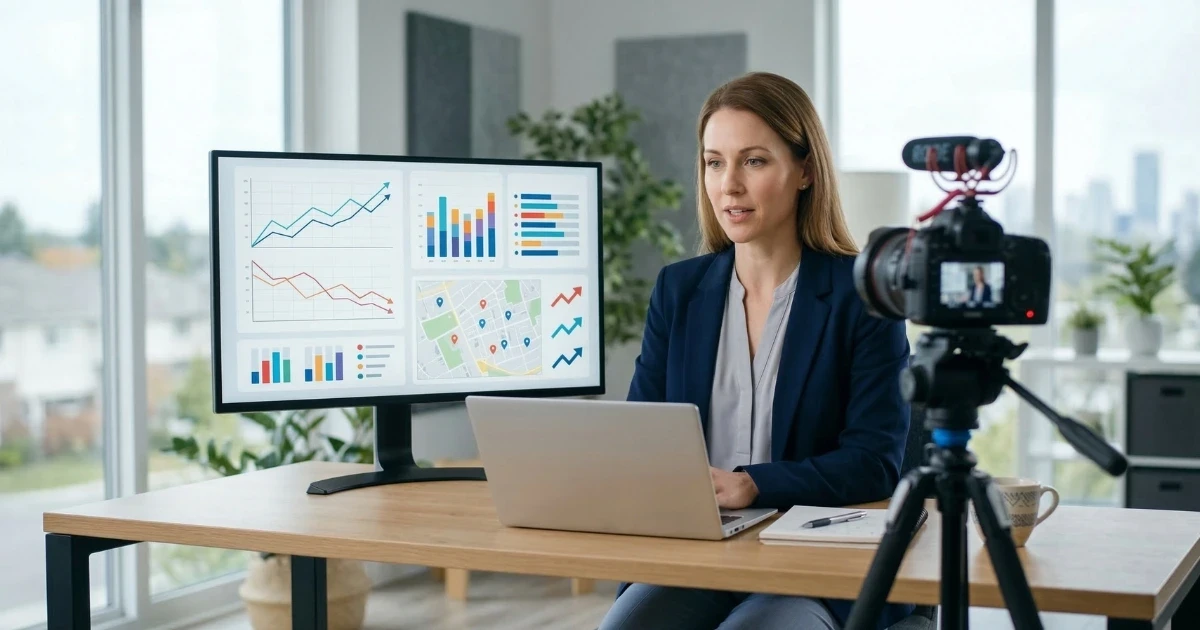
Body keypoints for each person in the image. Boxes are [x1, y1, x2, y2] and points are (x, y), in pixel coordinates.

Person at [597, 71, 915, 630]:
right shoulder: (679, 290)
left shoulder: (861, 297)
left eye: (754, 161)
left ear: (805, 171)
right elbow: (640, 438)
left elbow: (874, 461)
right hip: (698, 558)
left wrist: (752, 483)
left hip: (813, 565)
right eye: (714, 162)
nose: (729, 186)